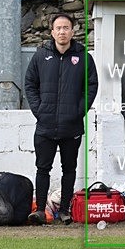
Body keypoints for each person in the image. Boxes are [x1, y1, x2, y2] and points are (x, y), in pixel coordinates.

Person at [25, 13, 98, 225]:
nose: (62, 32)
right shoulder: (41, 56)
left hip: (71, 125)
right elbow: (30, 83)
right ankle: (39, 210)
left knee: (70, 169)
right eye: (58, 28)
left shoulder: (84, 57)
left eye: (66, 28)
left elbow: (91, 86)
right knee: (43, 168)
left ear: (72, 32)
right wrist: (39, 110)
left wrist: (78, 111)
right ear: (52, 32)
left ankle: (65, 210)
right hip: (45, 125)